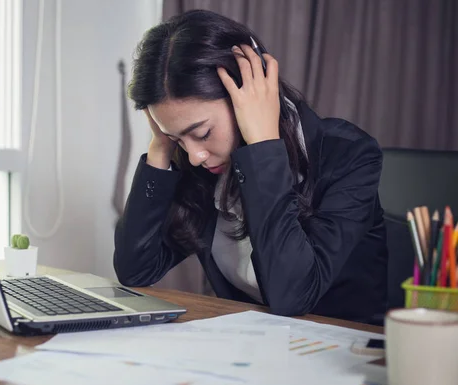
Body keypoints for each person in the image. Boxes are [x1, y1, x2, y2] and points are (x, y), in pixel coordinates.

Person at [113, 9, 387, 325]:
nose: (194, 156)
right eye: (178, 139)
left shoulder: (349, 155)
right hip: (248, 348)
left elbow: (292, 295)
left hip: (341, 353)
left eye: (202, 133)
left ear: (248, 95)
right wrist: (161, 147)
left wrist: (262, 147)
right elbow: (136, 269)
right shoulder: (201, 163)